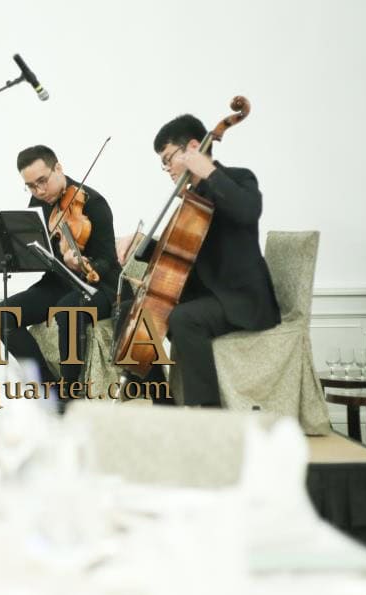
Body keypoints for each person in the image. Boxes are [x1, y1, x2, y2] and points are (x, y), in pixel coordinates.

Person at [116, 114, 280, 407]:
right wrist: (140, 243)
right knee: (132, 311)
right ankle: (163, 403)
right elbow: (179, 250)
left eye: (168, 159)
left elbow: (248, 211)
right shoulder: (192, 197)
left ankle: (207, 414)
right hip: (206, 296)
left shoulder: (238, 178)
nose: (167, 168)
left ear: (193, 148)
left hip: (241, 299)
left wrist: (210, 173)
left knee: (183, 318)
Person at [0, 145, 121, 404]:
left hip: (99, 287)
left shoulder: (94, 203)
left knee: (68, 309)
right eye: (31, 186)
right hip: (59, 282)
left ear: (58, 168)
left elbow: (108, 260)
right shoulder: (38, 204)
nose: (39, 191)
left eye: (43, 181)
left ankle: (69, 396)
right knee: (2, 315)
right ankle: (48, 388)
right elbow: (43, 255)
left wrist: (84, 264)